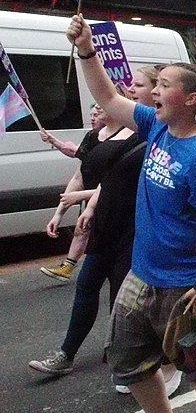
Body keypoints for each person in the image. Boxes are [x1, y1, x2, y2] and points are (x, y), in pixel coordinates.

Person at [67, 15, 196, 413]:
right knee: (125, 360)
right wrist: (87, 49)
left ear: (191, 98)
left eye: (165, 85)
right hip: (141, 275)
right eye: (154, 84)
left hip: (184, 285)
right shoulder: (156, 125)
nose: (154, 90)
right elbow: (106, 94)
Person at [29, 107, 137, 374]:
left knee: (120, 295)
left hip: (131, 226)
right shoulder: (94, 137)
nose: (96, 110)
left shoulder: (140, 136)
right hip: (103, 224)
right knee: (86, 286)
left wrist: (84, 200)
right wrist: (75, 209)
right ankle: (66, 353)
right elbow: (85, 176)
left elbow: (116, 181)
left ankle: (120, 355)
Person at [38, 104, 107, 281]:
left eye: (97, 113)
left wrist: (80, 196)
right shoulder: (92, 136)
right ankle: (69, 267)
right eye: (91, 114)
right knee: (83, 228)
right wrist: (58, 214)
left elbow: (111, 183)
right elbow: (78, 176)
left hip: (110, 200)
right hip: (94, 198)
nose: (93, 118)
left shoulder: (119, 141)